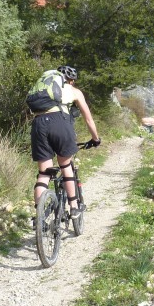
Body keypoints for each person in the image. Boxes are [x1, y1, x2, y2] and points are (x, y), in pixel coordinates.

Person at [31, 65, 100, 219]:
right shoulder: (74, 91)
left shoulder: (44, 91)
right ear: (71, 81)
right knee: (65, 165)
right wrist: (96, 139)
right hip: (59, 123)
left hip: (38, 124)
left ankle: (39, 215)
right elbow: (88, 119)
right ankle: (74, 207)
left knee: (44, 173)